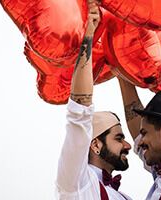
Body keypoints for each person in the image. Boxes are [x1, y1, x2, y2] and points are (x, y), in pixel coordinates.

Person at [56, 2, 132, 199]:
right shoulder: (76, 181)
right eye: (118, 138)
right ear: (95, 144)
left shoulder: (125, 197)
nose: (128, 145)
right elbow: (79, 113)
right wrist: (89, 32)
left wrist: (124, 69)